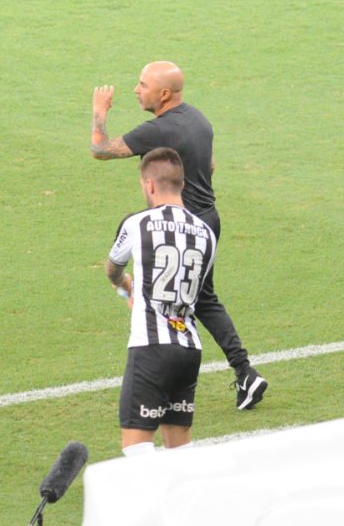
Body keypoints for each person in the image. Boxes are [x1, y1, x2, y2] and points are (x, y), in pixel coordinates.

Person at [91, 61, 268, 410]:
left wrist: (100, 112)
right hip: (208, 222)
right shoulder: (199, 119)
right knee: (202, 298)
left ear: (164, 94)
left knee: (177, 299)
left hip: (179, 226)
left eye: (142, 85)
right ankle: (243, 372)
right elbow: (211, 165)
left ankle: (224, 373)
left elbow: (100, 150)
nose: (136, 90)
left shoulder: (156, 131)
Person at [105, 147, 217, 455]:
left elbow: (113, 268)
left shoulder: (137, 224)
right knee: (179, 450)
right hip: (189, 348)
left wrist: (126, 287)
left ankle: (150, 504)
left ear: (150, 185)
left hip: (150, 348)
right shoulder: (207, 233)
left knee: (136, 448)